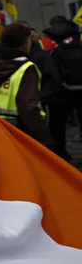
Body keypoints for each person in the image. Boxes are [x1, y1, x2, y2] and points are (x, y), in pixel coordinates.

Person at [0, 23, 55, 149]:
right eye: (29, 40)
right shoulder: (26, 68)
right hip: (23, 129)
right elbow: (29, 107)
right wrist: (44, 137)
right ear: (24, 42)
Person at [48, 20, 82, 161]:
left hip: (64, 93)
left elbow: (53, 72)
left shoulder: (57, 51)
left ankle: (61, 153)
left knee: (58, 125)